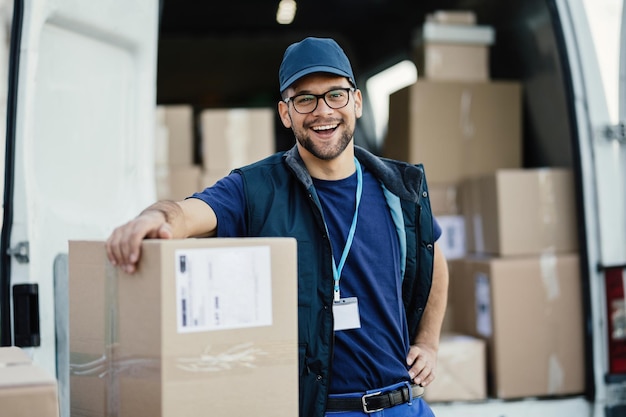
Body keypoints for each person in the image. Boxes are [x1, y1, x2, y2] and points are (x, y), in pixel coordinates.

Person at [106, 36, 449, 417]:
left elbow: (435, 260)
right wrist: (153, 218)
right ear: (286, 113)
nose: (323, 112)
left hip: (406, 405)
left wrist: (429, 343)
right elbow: (185, 214)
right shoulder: (255, 189)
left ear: (357, 102)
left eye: (335, 94)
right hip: (325, 410)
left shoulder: (397, 189)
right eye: (305, 99)